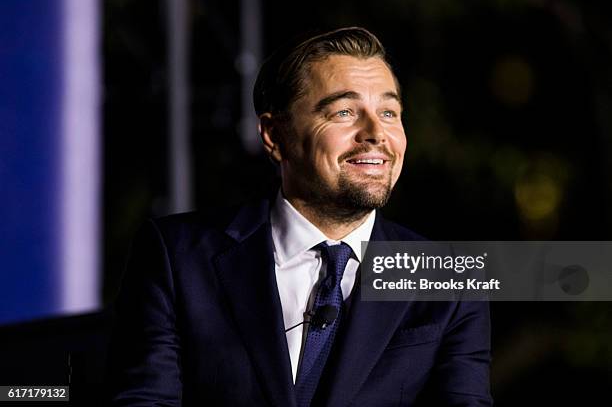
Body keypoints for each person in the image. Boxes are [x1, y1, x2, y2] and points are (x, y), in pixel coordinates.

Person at [107, 27, 492, 406]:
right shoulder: (177, 256)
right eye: (344, 111)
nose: (376, 133)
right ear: (275, 135)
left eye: (389, 112)